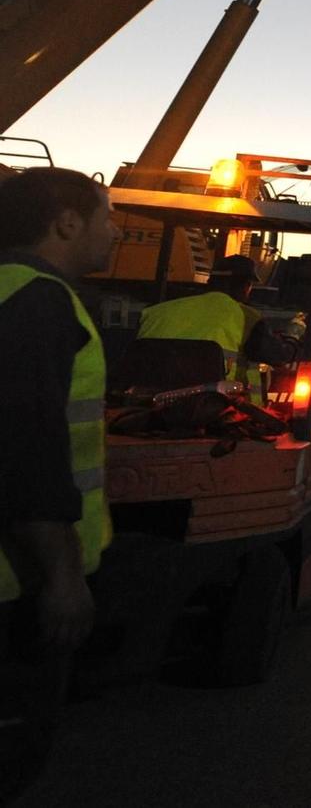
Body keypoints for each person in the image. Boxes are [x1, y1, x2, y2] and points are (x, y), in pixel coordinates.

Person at [0, 168, 118, 802]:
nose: (117, 232)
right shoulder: (40, 300)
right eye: (107, 218)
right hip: (15, 583)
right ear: (67, 223)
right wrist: (64, 579)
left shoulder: (9, 288)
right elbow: (26, 452)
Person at [136, 253, 290, 404]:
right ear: (244, 285)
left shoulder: (157, 311)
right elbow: (278, 357)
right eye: (249, 285)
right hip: (214, 410)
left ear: (210, 281)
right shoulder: (247, 318)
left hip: (148, 408)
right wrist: (294, 335)